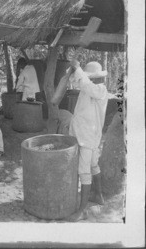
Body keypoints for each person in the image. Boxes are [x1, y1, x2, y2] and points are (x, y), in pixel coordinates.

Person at [66, 61, 108, 222]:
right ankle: (98, 195)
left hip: (88, 137)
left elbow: (84, 83)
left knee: (84, 171)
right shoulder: (88, 86)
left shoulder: (99, 89)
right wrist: (72, 70)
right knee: (93, 164)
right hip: (86, 134)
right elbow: (78, 81)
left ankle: (82, 210)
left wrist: (78, 70)